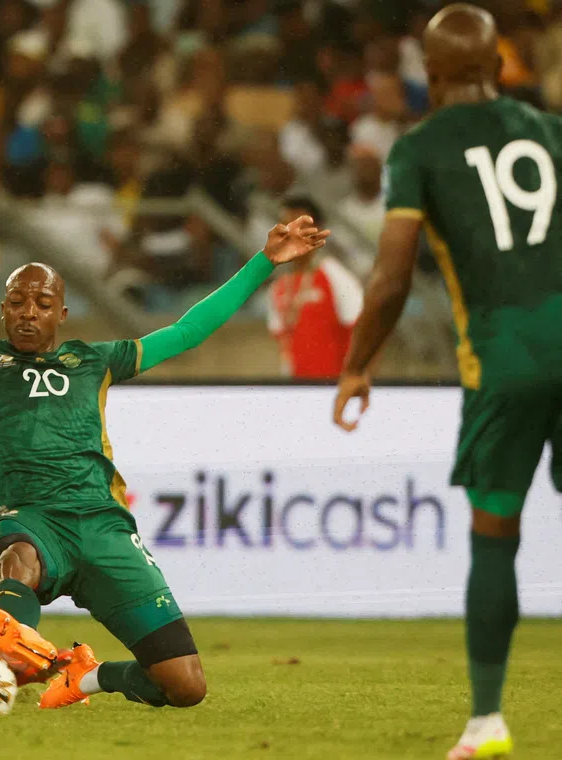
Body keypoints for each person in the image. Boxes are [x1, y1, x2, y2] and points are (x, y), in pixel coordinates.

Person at [0, 217, 329, 709]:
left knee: (185, 686)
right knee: (20, 561)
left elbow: (187, 332)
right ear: (2, 310)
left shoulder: (95, 361)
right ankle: (8, 658)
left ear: (62, 312)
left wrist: (263, 261)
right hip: (31, 520)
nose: (27, 313)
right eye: (17, 302)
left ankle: (82, 677)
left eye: (41, 304)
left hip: (105, 527)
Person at [331, 6, 562, 758]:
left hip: (504, 363)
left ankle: (488, 721)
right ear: (499, 64)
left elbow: (393, 275)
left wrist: (359, 361)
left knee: (495, 535)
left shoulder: (420, 148)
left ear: (428, 76)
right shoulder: (551, 132)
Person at [267, 195, 363, 379]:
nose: (292, 234)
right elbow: (283, 348)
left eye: (300, 227)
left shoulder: (334, 275)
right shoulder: (277, 288)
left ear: (317, 230)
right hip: (296, 391)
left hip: (331, 388)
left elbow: (363, 332)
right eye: (285, 226)